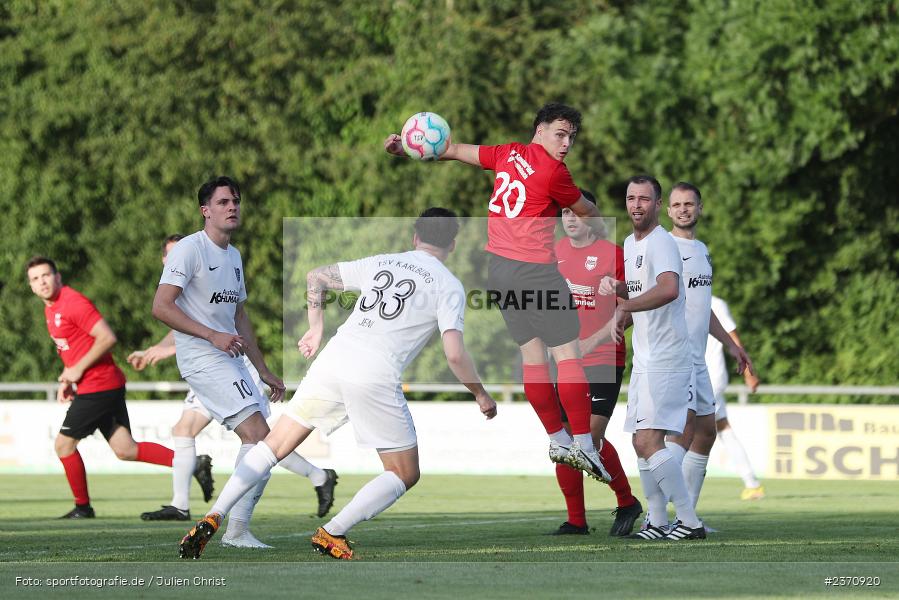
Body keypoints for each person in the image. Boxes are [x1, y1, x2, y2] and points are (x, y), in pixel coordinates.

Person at [178, 208, 497, 560]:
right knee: (404, 473)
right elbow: (454, 354)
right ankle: (332, 532)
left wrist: (316, 328)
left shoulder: (385, 261)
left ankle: (214, 514)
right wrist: (480, 393)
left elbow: (316, 277)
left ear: (414, 237)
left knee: (271, 447)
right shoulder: (449, 285)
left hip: (334, 359)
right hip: (374, 372)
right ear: (452, 244)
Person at [385, 103, 610, 484]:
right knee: (568, 353)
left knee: (532, 355)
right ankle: (585, 444)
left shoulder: (508, 153)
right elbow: (585, 209)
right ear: (538, 131)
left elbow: (451, 150)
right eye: (560, 133)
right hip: (536, 270)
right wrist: (600, 224)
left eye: (571, 137)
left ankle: (556, 439)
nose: (566, 143)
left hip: (500, 272)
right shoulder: (555, 172)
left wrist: (406, 148)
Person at [153, 176, 312, 549]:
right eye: (223, 202)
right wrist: (210, 335)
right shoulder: (188, 250)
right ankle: (233, 529)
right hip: (202, 358)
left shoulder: (234, 255)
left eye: (235, 201)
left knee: (267, 442)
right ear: (205, 210)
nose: (232, 207)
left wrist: (264, 369)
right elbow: (160, 307)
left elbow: (239, 317)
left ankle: (237, 529)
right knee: (259, 438)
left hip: (231, 359)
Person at [132, 234, 337, 523]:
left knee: (261, 439)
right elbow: (180, 322)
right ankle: (182, 505)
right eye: (170, 253)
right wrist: (158, 349)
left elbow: (217, 321)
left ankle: (311, 479)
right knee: (186, 430)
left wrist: (262, 369)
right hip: (208, 367)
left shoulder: (208, 263)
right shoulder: (181, 278)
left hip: (228, 364)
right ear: (164, 259)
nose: (175, 257)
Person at [26, 256, 186, 519]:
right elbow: (74, 350)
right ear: (31, 286)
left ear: (58, 277)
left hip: (98, 386)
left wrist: (77, 371)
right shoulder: (51, 309)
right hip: (100, 384)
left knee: (63, 446)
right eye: (35, 279)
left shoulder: (72, 302)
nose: (41, 282)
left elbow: (107, 337)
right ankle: (191, 463)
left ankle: (82, 507)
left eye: (45, 275)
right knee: (126, 449)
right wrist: (69, 379)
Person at [600, 175, 704, 541]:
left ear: (658, 205)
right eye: (631, 198)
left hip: (667, 355)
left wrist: (625, 304)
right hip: (645, 356)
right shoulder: (630, 243)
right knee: (638, 442)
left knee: (648, 441)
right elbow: (645, 289)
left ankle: (689, 522)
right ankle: (659, 522)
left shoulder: (661, 242)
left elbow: (669, 288)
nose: (636, 205)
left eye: (645, 198)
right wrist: (621, 292)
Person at [551, 190, 643, 537]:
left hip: (604, 357)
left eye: (576, 212)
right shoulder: (554, 254)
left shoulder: (612, 255)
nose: (570, 218)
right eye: (564, 213)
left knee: (589, 435)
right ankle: (576, 520)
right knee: (564, 444)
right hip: (567, 361)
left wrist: (595, 338)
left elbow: (633, 306)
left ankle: (626, 500)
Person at [663, 183, 753, 513]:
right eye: (677, 204)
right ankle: (656, 516)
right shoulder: (665, 248)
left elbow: (703, 307)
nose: (684, 209)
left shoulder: (701, 250)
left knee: (706, 433)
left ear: (700, 208)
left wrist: (731, 345)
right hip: (674, 354)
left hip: (697, 358)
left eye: (690, 203)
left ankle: (686, 517)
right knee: (681, 433)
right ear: (668, 210)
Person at [707, 295, 764, 500]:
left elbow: (734, 339)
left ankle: (678, 495)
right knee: (723, 428)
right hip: (700, 377)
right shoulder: (678, 295)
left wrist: (749, 372)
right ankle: (752, 483)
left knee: (688, 431)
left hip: (708, 377)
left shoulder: (716, 303)